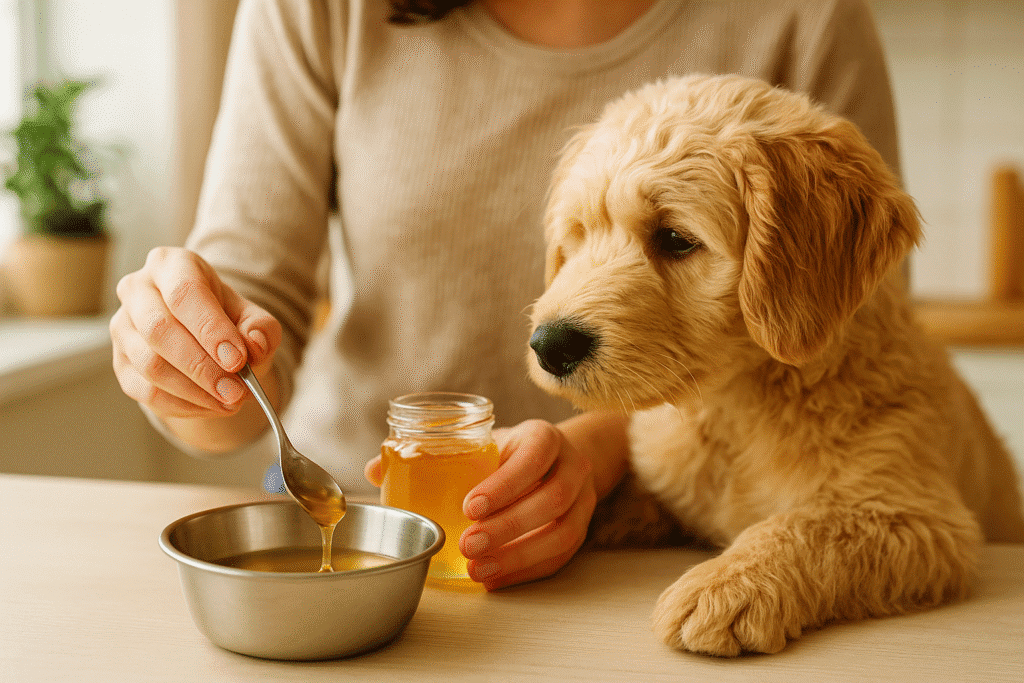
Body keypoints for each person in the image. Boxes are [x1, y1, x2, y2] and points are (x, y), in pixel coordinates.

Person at [110, 0, 902, 590]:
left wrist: (593, 454)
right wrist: (189, 359)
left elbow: (837, 336)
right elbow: (250, 313)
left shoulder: (808, 16)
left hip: (646, 541)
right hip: (353, 518)